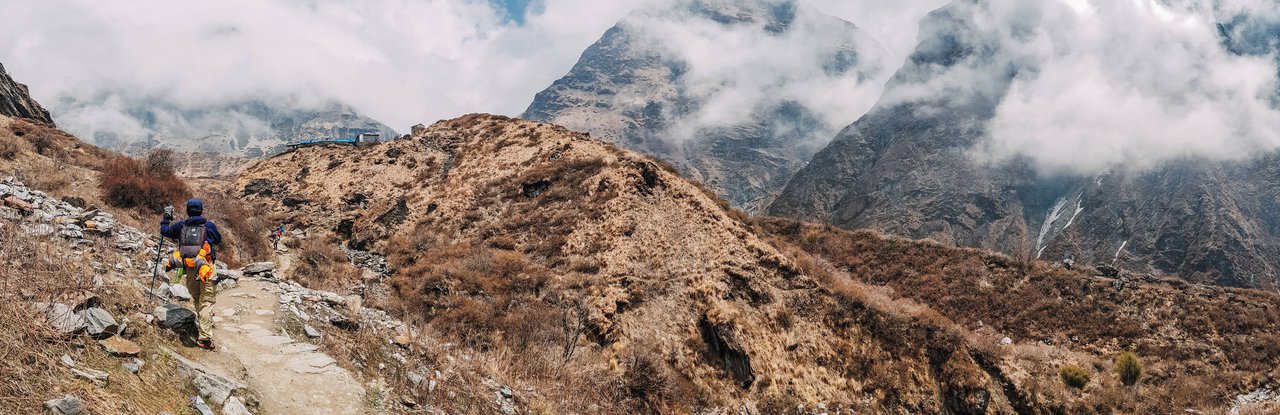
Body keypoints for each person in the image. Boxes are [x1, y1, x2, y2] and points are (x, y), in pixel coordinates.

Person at [161, 198, 222, 350]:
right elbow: (218, 239)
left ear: (188, 211)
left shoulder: (182, 226)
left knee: (197, 298)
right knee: (206, 301)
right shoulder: (208, 226)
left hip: (190, 268)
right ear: (201, 211)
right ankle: (205, 337)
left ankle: (203, 325)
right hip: (206, 267)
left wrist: (166, 218)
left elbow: (165, 231)